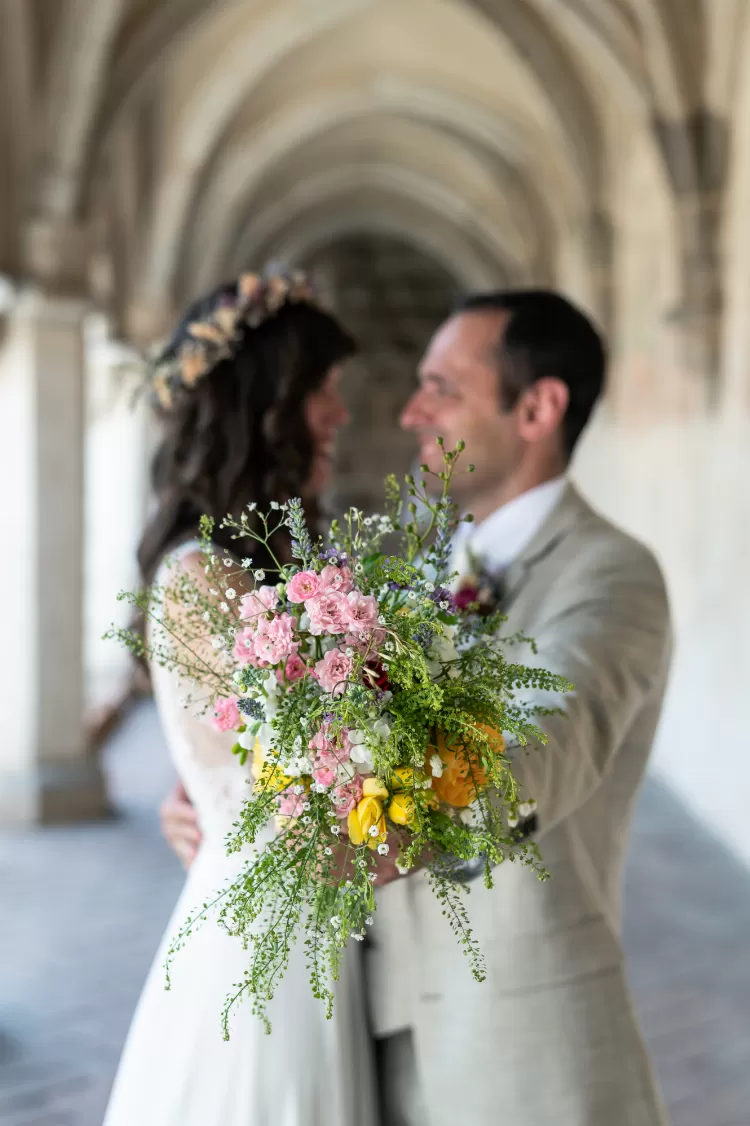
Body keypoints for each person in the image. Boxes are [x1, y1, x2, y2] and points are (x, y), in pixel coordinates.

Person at [161, 289, 672, 1126]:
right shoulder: (426, 572)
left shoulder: (611, 574)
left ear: (538, 408)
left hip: (524, 1056)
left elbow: (548, 738)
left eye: (442, 388)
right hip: (372, 1037)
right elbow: (334, 731)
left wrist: (353, 833)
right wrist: (245, 795)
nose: (409, 413)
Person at [104, 271, 379, 1126]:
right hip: (268, 947)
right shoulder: (203, 577)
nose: (338, 412)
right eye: (322, 389)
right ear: (265, 405)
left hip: (303, 921)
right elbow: (285, 789)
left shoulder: (264, 568)